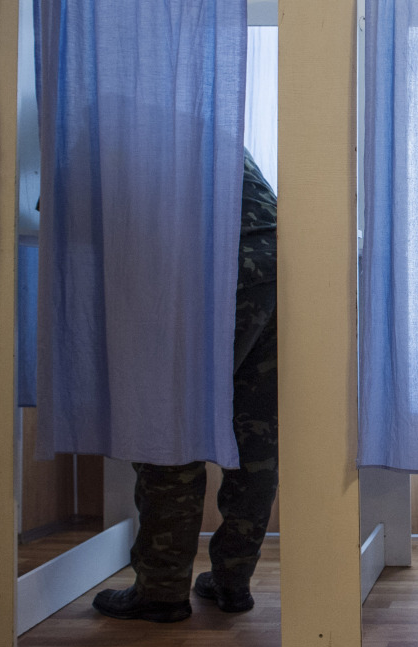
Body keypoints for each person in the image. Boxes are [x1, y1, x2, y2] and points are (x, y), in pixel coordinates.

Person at [92, 149, 278, 622]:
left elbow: (72, 220)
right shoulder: (204, 108)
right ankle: (233, 580)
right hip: (276, 263)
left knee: (167, 426)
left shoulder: (119, 126)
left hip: (209, 268)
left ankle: (161, 587)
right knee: (256, 435)